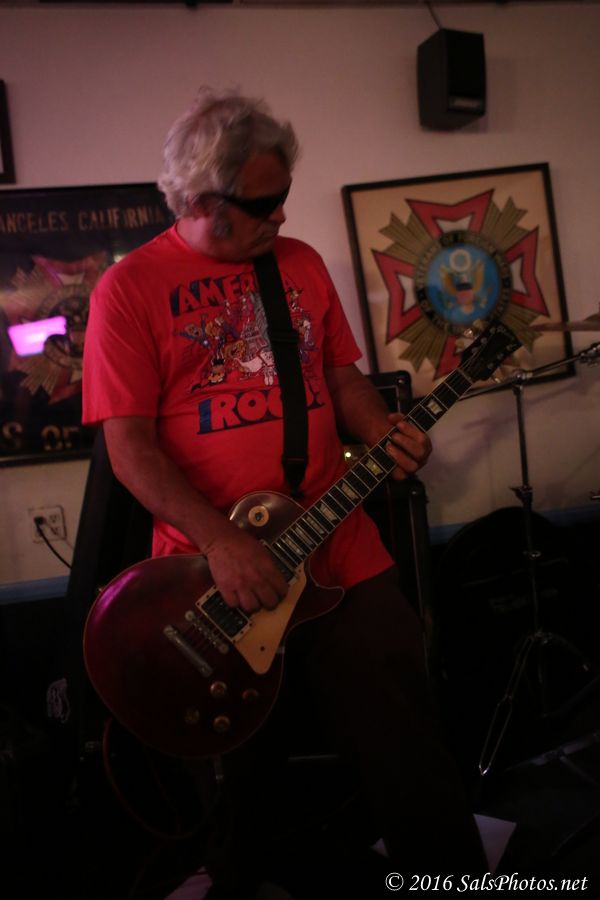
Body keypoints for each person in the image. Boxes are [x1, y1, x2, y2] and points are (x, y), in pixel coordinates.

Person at [82, 88, 486, 898]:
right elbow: (129, 449)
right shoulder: (128, 290)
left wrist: (379, 428)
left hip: (337, 542)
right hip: (210, 574)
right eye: (263, 204)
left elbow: (343, 378)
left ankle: (452, 883)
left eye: (284, 197)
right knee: (241, 776)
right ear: (201, 201)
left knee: (405, 730)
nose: (282, 216)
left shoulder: (298, 264)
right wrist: (222, 542)